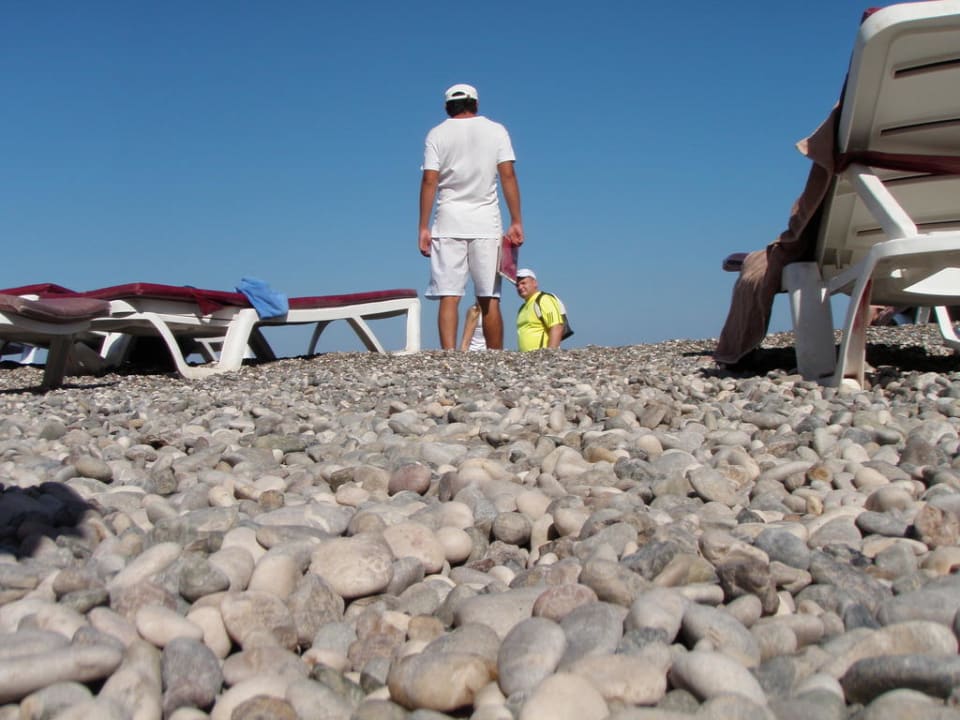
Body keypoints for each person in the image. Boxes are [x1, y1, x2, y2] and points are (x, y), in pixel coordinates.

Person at [418, 83, 524, 350]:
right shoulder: (496, 130)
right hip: (486, 222)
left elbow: (430, 180)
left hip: (448, 221)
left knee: (449, 295)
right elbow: (508, 175)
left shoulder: (436, 134)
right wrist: (516, 220)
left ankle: (449, 357)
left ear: (447, 107)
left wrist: (423, 227)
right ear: (475, 104)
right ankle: (496, 356)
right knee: (489, 297)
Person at [515, 268, 563, 351]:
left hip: (541, 357)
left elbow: (556, 327)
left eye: (523, 283)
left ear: (535, 283)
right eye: (517, 285)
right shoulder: (522, 308)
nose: (520, 287)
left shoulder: (543, 300)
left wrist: (550, 354)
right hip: (525, 357)